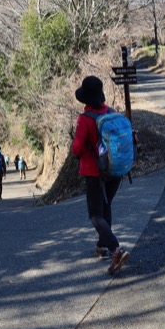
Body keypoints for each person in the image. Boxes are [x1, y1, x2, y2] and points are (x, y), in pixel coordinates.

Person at [71, 75, 130, 275]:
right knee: (105, 208)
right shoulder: (110, 112)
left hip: (95, 173)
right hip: (114, 171)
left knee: (95, 214)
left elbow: (77, 149)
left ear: (85, 99)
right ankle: (102, 245)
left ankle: (114, 249)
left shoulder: (85, 119)